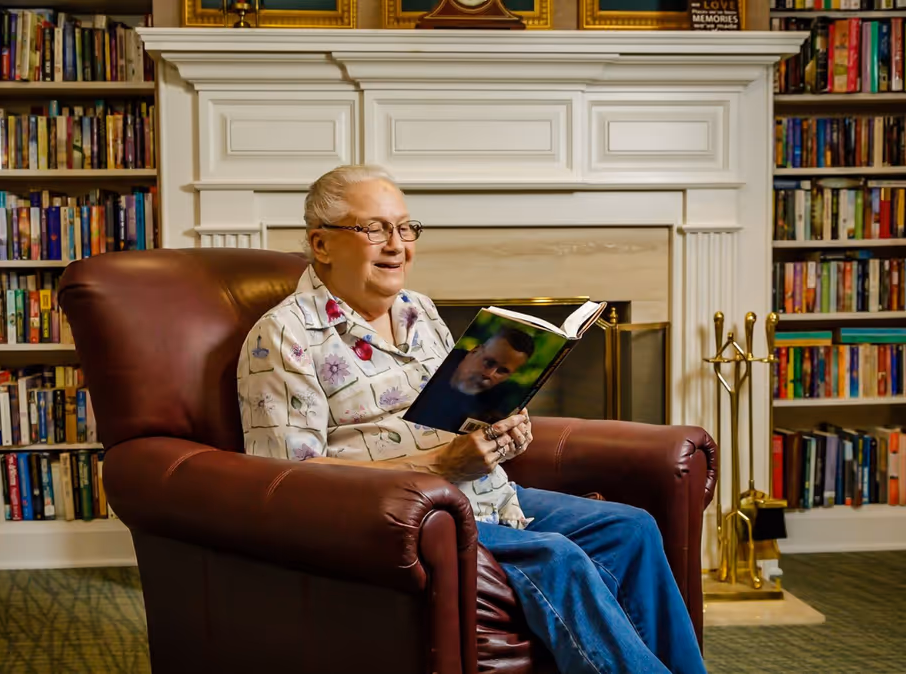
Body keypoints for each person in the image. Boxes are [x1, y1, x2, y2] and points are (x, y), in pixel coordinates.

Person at [236, 164, 707, 674]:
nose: (397, 244)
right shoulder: (283, 336)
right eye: (373, 228)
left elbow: (452, 413)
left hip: (483, 494)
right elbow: (287, 482)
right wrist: (441, 466)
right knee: (558, 558)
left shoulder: (418, 309)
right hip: (400, 517)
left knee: (630, 527)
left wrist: (499, 428)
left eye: (405, 227)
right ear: (321, 244)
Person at [408, 326, 533, 432]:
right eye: (488, 362)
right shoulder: (434, 361)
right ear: (474, 350)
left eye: (502, 371)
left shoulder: (498, 403)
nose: (489, 374)